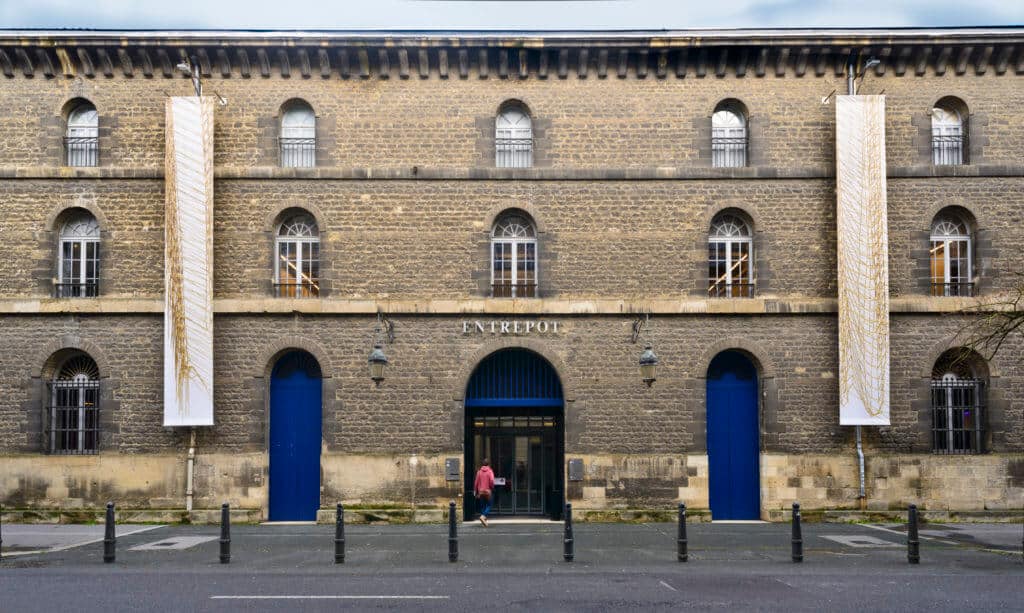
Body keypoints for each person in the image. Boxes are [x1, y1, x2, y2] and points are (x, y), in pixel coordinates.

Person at [473, 458, 495, 527]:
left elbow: (476, 482)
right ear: (488, 464)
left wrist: (475, 490)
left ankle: (484, 521)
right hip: (488, 491)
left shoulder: (479, 472)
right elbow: (491, 480)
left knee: (482, 506)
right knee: (489, 505)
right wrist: (491, 487)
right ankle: (483, 516)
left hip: (481, 492)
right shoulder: (490, 471)